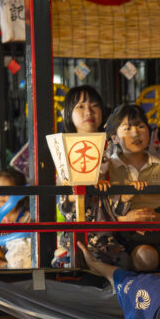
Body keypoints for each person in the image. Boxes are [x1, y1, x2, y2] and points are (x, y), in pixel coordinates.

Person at [105, 104, 160, 272]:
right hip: (125, 240)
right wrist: (126, 221)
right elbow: (102, 214)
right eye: (127, 128)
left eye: (141, 126)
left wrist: (155, 218)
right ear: (114, 137)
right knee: (146, 257)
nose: (136, 133)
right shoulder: (107, 167)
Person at [53, 85, 117, 267]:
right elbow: (64, 198)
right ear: (68, 114)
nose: (89, 111)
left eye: (94, 105)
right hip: (75, 237)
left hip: (111, 235)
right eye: (80, 106)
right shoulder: (62, 149)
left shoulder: (113, 147)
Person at [0, 168, 33, 269]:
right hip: (3, 258)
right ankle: (5, 266)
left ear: (20, 193)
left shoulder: (27, 214)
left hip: (25, 257)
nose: (1, 195)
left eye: (7, 190)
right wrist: (6, 261)